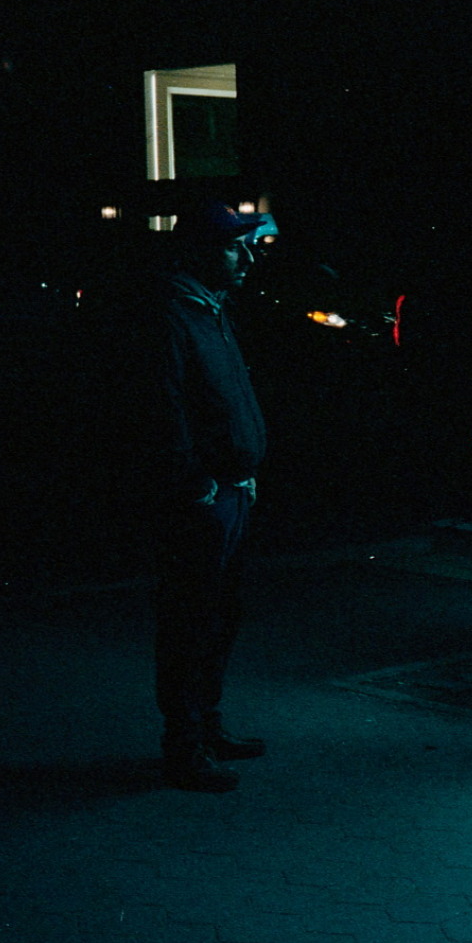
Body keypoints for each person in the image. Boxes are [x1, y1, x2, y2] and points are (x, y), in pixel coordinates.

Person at [147, 200, 269, 791]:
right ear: (200, 252)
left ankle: (207, 728)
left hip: (229, 491)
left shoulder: (208, 310)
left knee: (219, 616)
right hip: (205, 499)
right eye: (232, 246)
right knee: (192, 620)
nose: (245, 256)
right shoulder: (175, 315)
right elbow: (164, 412)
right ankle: (186, 744)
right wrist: (197, 484)